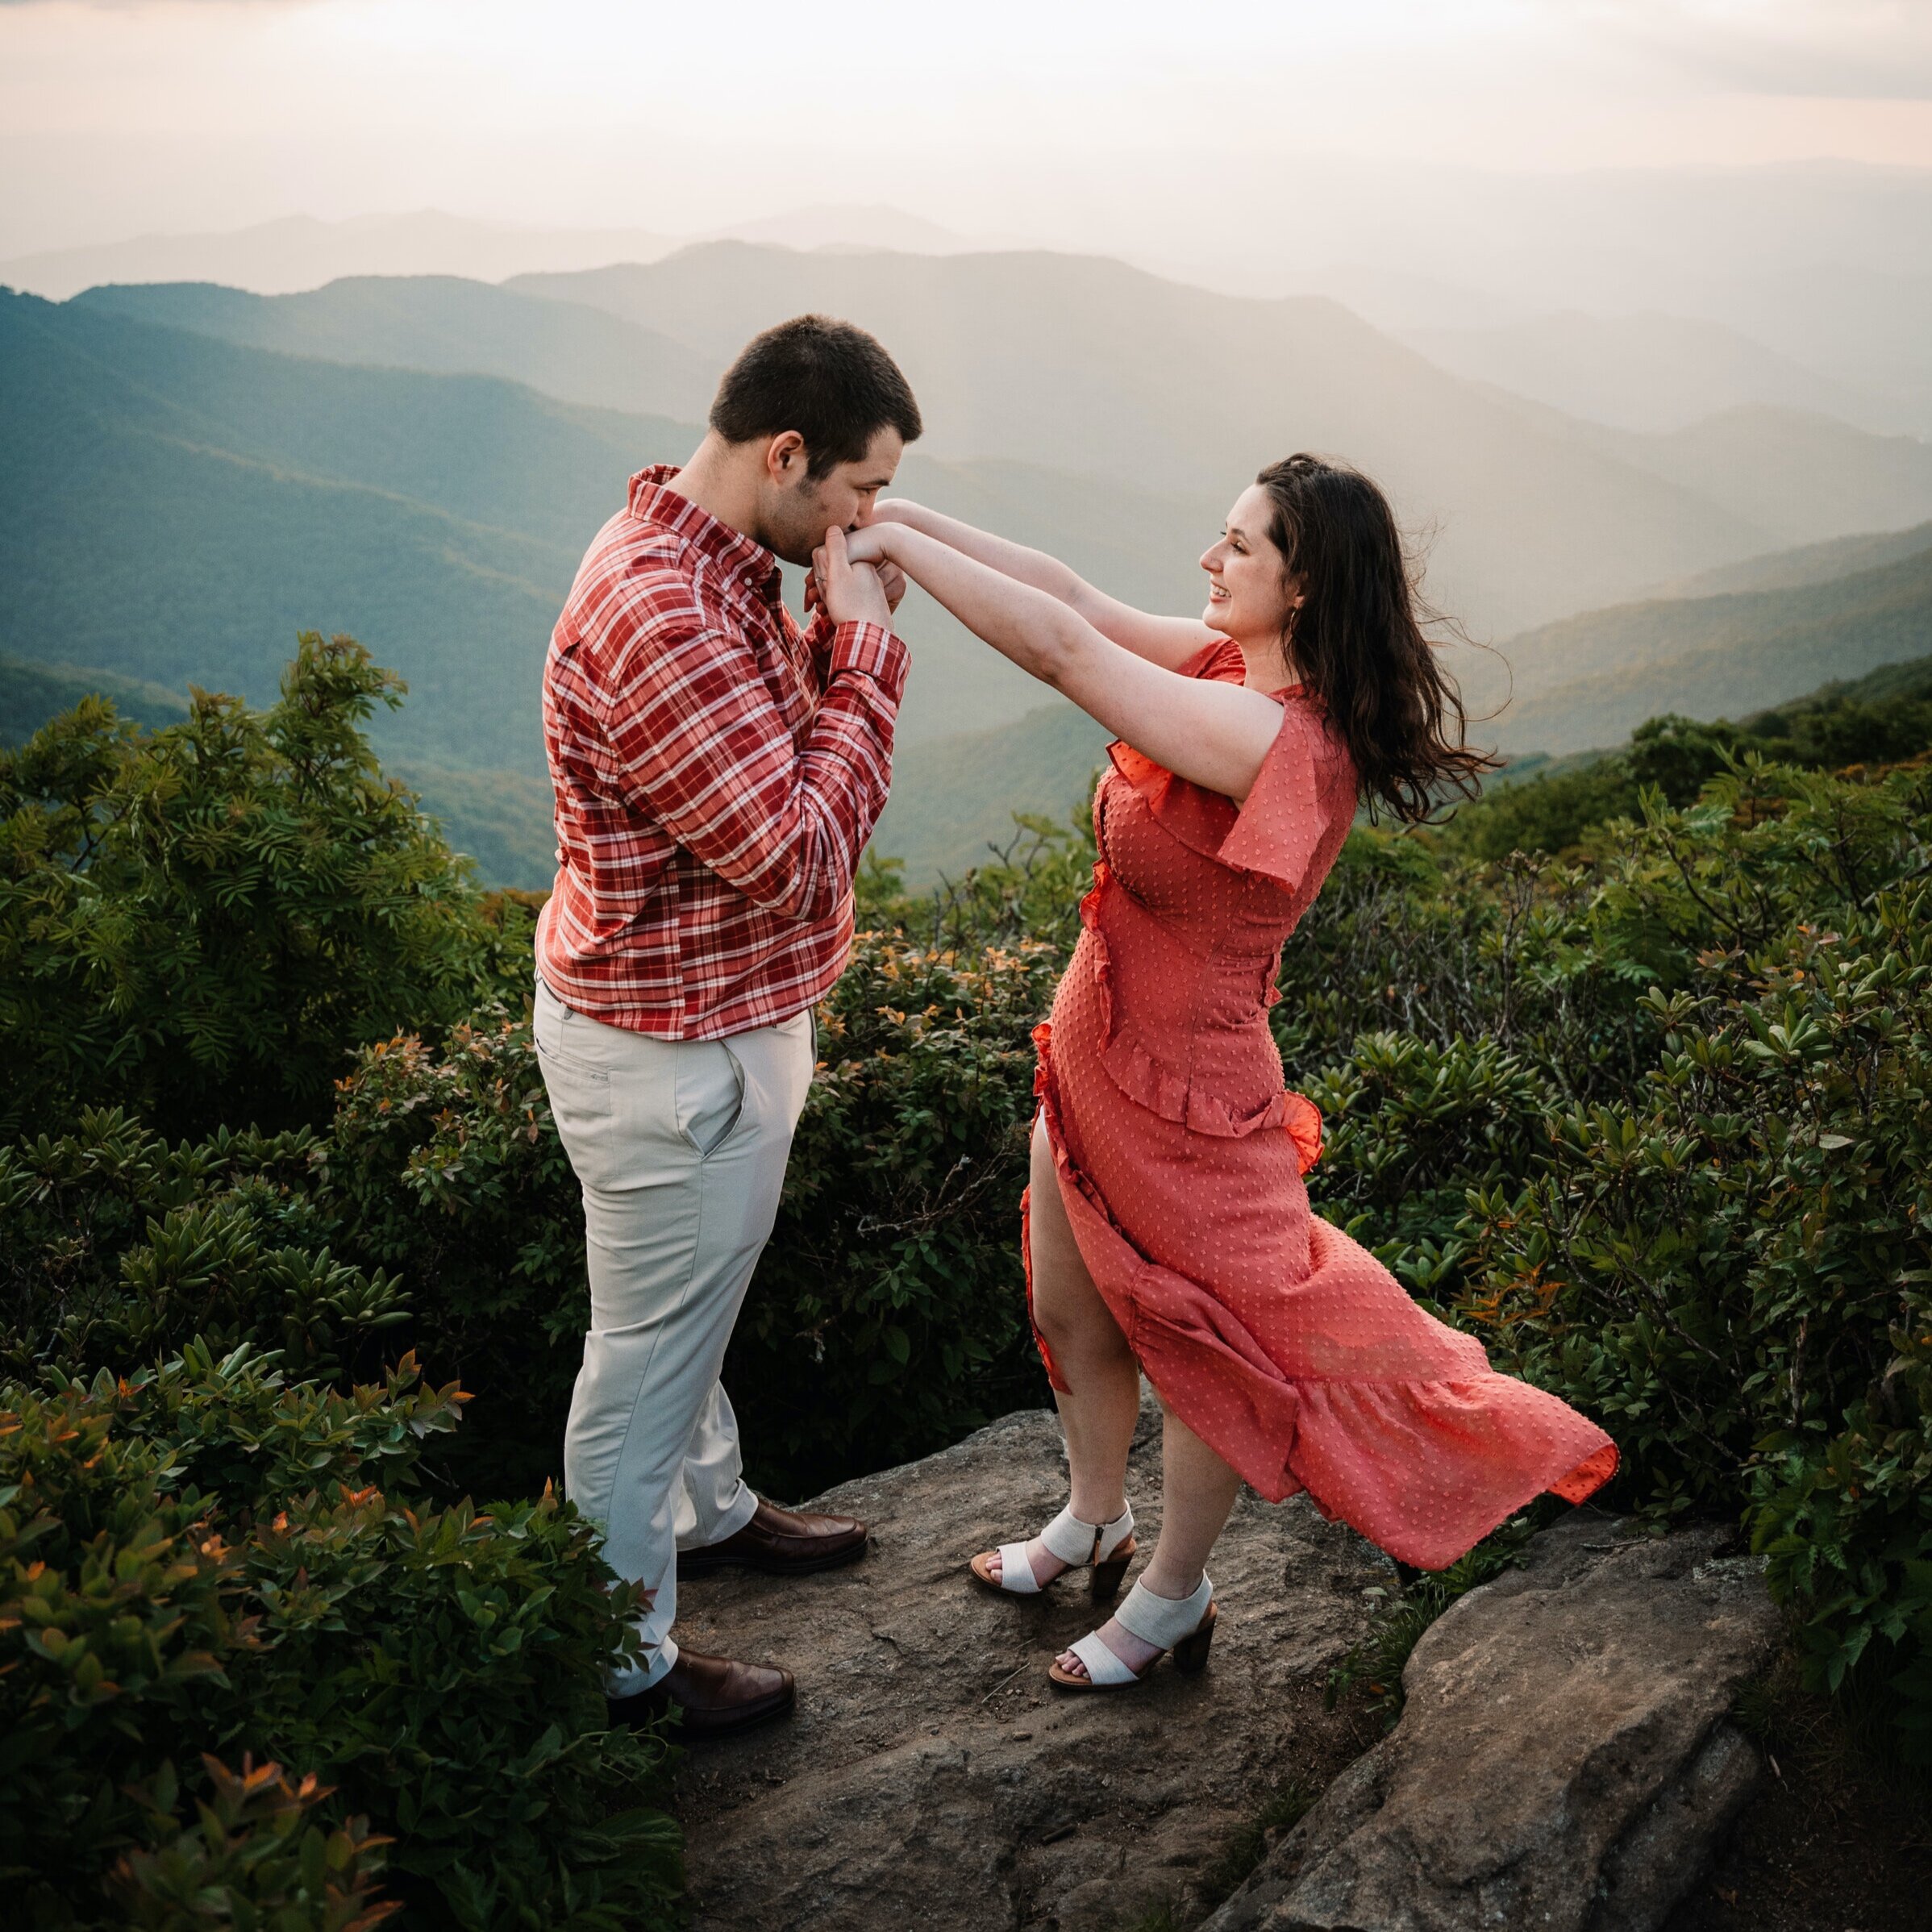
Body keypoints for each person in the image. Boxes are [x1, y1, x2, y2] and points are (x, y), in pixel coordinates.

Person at [831, 457, 1618, 1689]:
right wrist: (886, 515)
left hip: (1190, 1098)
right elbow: (1070, 594)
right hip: (1093, 1048)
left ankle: (1173, 1598)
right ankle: (1096, 1514)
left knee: (1209, 1353)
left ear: (1301, 590)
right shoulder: (1220, 670)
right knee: (1070, 1303)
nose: (1211, 560)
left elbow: (1058, 652)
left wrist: (897, 561)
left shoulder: (1275, 739)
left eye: (1239, 548)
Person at [535, 314, 922, 1737]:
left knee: (686, 1319)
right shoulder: (664, 611)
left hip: (708, 1020)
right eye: (860, 490)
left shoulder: (711, 559)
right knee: (640, 1366)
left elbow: (766, 773)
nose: (868, 521)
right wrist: (867, 659)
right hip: (676, 1054)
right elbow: (800, 851)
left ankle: (708, 1508)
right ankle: (620, 1663)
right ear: (785, 454)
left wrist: (826, 627)